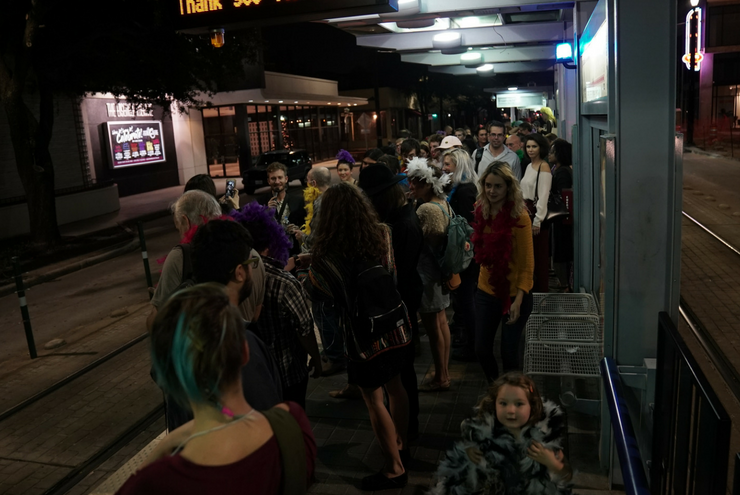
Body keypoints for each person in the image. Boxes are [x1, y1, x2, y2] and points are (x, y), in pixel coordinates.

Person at [117, 284, 315, 495]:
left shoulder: (159, 481)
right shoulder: (294, 426)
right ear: (245, 352)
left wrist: (163, 447)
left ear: (171, 377)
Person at [304, 182, 412, 490]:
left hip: (364, 335)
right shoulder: (381, 233)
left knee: (373, 399)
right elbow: (390, 272)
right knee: (397, 387)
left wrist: (308, 266)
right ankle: (402, 446)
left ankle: (393, 468)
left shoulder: (328, 251)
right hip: (396, 323)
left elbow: (319, 293)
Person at [161, 219, 283, 431]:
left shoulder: (179, 338)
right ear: (239, 272)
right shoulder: (240, 346)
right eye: (250, 264)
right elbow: (265, 426)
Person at [232, 205, 322, 410]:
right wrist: (315, 359)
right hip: (288, 373)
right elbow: (305, 329)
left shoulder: (236, 276)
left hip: (252, 373)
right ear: (272, 242)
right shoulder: (285, 283)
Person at [359, 164, 424, 440]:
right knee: (401, 373)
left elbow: (398, 272)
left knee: (402, 374)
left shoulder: (401, 225)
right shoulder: (400, 216)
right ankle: (406, 428)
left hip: (401, 304)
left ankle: (406, 432)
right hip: (403, 301)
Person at [429, 372, 572, 495]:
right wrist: (469, 447)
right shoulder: (485, 432)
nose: (510, 410)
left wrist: (552, 463)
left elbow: (566, 476)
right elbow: (467, 427)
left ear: (532, 406)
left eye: (519, 404)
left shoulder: (543, 440)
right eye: (503, 403)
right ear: (494, 404)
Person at [472, 163, 534, 382]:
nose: (492, 191)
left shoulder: (520, 217)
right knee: (481, 348)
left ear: (508, 188)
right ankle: (495, 388)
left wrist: (518, 300)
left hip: (514, 294)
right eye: (488, 185)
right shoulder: (481, 211)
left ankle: (513, 396)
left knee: (509, 352)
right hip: (486, 290)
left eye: (498, 186)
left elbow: (527, 265)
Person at [407, 157, 453, 391]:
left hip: (427, 274)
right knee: (442, 322)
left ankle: (441, 376)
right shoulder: (443, 202)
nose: (411, 186)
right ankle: (443, 372)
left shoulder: (425, 208)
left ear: (429, 184)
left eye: (416, 182)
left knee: (434, 327)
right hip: (441, 272)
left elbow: (419, 242)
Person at [147, 190, 222, 332]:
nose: (179, 231)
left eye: (178, 225)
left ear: (186, 221)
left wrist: (160, 295)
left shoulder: (181, 256)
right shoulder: (240, 245)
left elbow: (156, 324)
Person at [441, 149, 479, 363]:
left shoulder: (464, 192)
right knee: (466, 301)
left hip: (466, 256)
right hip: (466, 254)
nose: (444, 168)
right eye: (444, 164)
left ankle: (473, 346)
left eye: (448, 164)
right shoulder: (462, 188)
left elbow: (465, 226)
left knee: (467, 301)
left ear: (459, 166)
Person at [521, 133, 552, 294]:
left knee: (539, 257)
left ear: (541, 148)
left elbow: (543, 196)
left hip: (535, 214)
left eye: (534, 146)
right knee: (528, 255)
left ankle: (541, 293)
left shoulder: (543, 167)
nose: (531, 150)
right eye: (528, 146)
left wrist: (537, 220)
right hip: (525, 211)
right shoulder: (529, 165)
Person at [549, 139, 574, 292]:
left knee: (560, 248)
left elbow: (564, 196)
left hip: (561, 218)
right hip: (561, 218)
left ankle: (564, 283)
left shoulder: (562, 172)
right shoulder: (557, 169)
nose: (550, 154)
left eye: (553, 151)